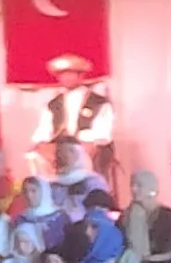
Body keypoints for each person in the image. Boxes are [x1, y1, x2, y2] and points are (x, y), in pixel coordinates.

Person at [36, 56, 115, 186]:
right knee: (38, 155)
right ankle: (53, 190)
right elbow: (43, 129)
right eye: (62, 74)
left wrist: (83, 141)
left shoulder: (98, 102)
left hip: (87, 145)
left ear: (80, 75)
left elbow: (103, 132)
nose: (66, 78)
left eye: (70, 74)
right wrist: (42, 143)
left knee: (81, 154)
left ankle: (87, 190)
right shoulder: (53, 104)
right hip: (60, 147)